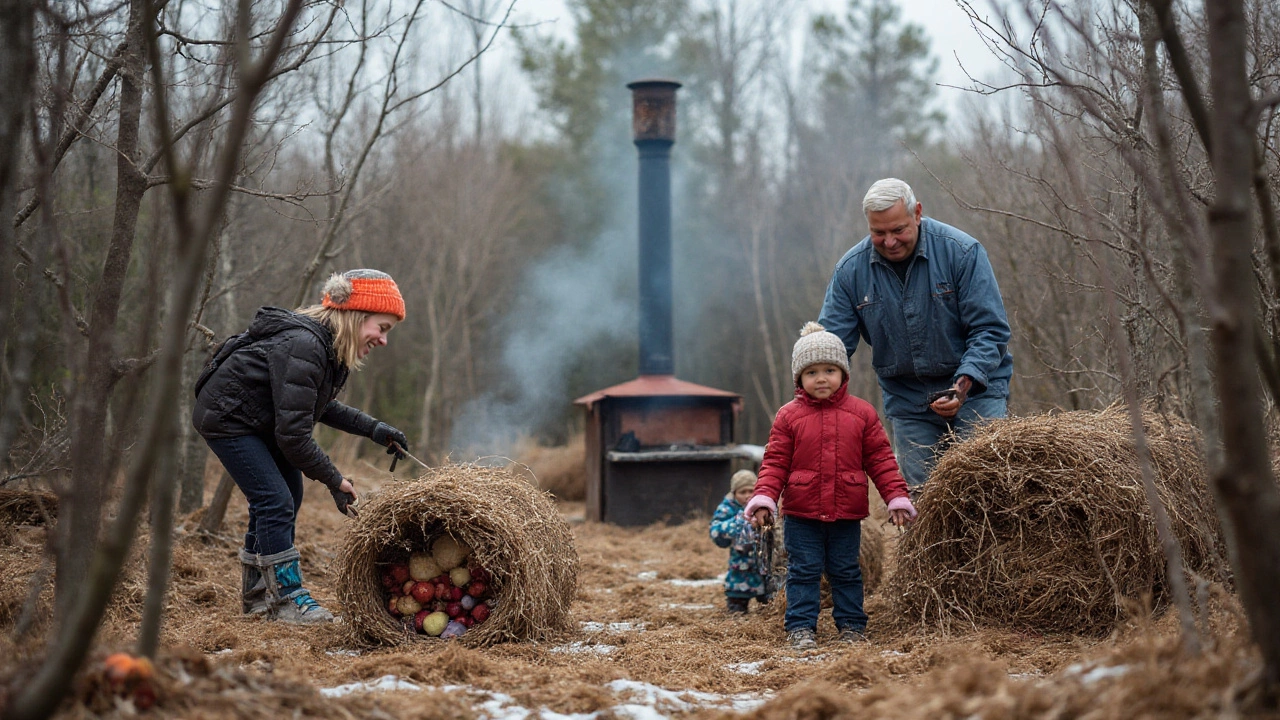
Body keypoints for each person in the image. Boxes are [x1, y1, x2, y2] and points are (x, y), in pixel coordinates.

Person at [192, 269, 410, 624]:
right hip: (229, 420)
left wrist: (375, 429)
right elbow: (293, 436)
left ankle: (258, 595)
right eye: (381, 328)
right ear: (357, 316)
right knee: (274, 499)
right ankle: (287, 600)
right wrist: (335, 480)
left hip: (257, 420)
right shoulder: (306, 345)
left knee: (286, 495)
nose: (383, 340)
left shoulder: (324, 348)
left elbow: (317, 406)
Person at [818, 178, 1013, 493]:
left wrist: (961, 387)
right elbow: (829, 347)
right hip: (908, 400)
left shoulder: (962, 252)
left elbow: (990, 330)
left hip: (977, 391)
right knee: (922, 501)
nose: (890, 241)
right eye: (878, 233)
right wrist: (818, 404)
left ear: (917, 213)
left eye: (898, 230)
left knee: (985, 491)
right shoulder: (850, 272)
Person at [746, 322, 917, 649]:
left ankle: (852, 626)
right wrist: (765, 497)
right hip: (801, 514)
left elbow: (881, 460)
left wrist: (896, 497)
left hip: (846, 513)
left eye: (829, 370)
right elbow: (775, 462)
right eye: (811, 372)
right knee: (803, 571)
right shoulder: (788, 416)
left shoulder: (862, 414)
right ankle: (800, 628)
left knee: (846, 570)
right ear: (799, 378)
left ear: (843, 373)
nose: (821, 378)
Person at [709, 469, 770, 614]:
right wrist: (740, 521)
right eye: (743, 492)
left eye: (751, 491)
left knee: (769, 610)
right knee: (737, 612)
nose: (748, 496)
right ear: (734, 493)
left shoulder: (764, 506)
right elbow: (716, 532)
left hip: (764, 572)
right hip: (739, 573)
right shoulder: (727, 508)